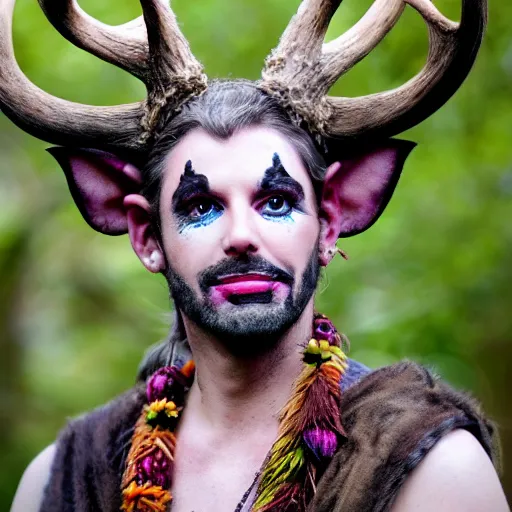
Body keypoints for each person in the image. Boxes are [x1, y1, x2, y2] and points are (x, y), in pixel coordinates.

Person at [4, 0, 508, 511]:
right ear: (146, 236)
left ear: (332, 220)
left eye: (276, 202)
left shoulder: (432, 471)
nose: (242, 235)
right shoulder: (65, 478)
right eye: (201, 207)